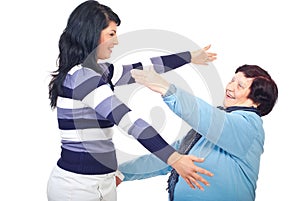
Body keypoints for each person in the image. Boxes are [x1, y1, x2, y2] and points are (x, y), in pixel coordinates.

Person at [47, 1, 217, 200]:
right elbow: (129, 121)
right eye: (111, 34)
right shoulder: (83, 78)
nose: (116, 41)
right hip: (77, 188)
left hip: (103, 182)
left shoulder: (99, 72)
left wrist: (190, 57)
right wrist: (174, 158)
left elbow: (145, 67)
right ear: (92, 34)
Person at [119, 64, 278, 201]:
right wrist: (120, 173)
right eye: (232, 80)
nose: (230, 87)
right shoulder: (203, 134)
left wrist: (167, 89)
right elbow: (167, 157)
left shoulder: (249, 125)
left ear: (257, 102)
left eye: (240, 86)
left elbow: (207, 117)